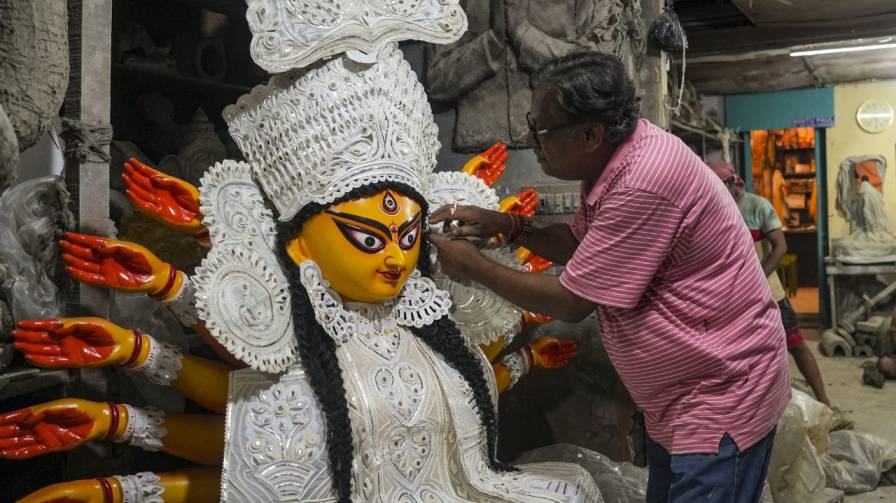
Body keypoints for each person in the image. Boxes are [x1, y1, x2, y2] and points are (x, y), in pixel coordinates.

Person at [427, 51, 790, 503]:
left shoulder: (645, 180)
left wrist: (473, 267)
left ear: (590, 134)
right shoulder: (614, 161)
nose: (529, 139)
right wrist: (509, 226)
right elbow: (584, 243)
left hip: (718, 392)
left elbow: (571, 300)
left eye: (541, 130)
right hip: (678, 394)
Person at [710, 160, 833, 408]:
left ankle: (824, 400)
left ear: (733, 183)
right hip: (733, 295)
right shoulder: (713, 208)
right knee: (748, 352)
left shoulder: (757, 206)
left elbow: (780, 247)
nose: (716, 190)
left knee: (795, 344)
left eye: (720, 185)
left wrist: (757, 277)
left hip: (768, 292)